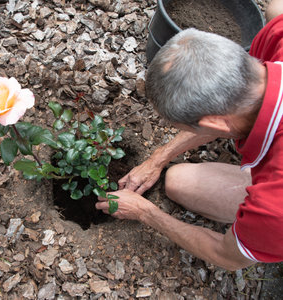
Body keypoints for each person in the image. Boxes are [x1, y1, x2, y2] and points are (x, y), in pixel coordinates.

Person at [96, 0, 283, 271]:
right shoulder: (276, 36)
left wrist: (145, 212)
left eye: (187, 127)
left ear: (217, 123)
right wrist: (158, 159)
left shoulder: (275, 204)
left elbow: (227, 257)